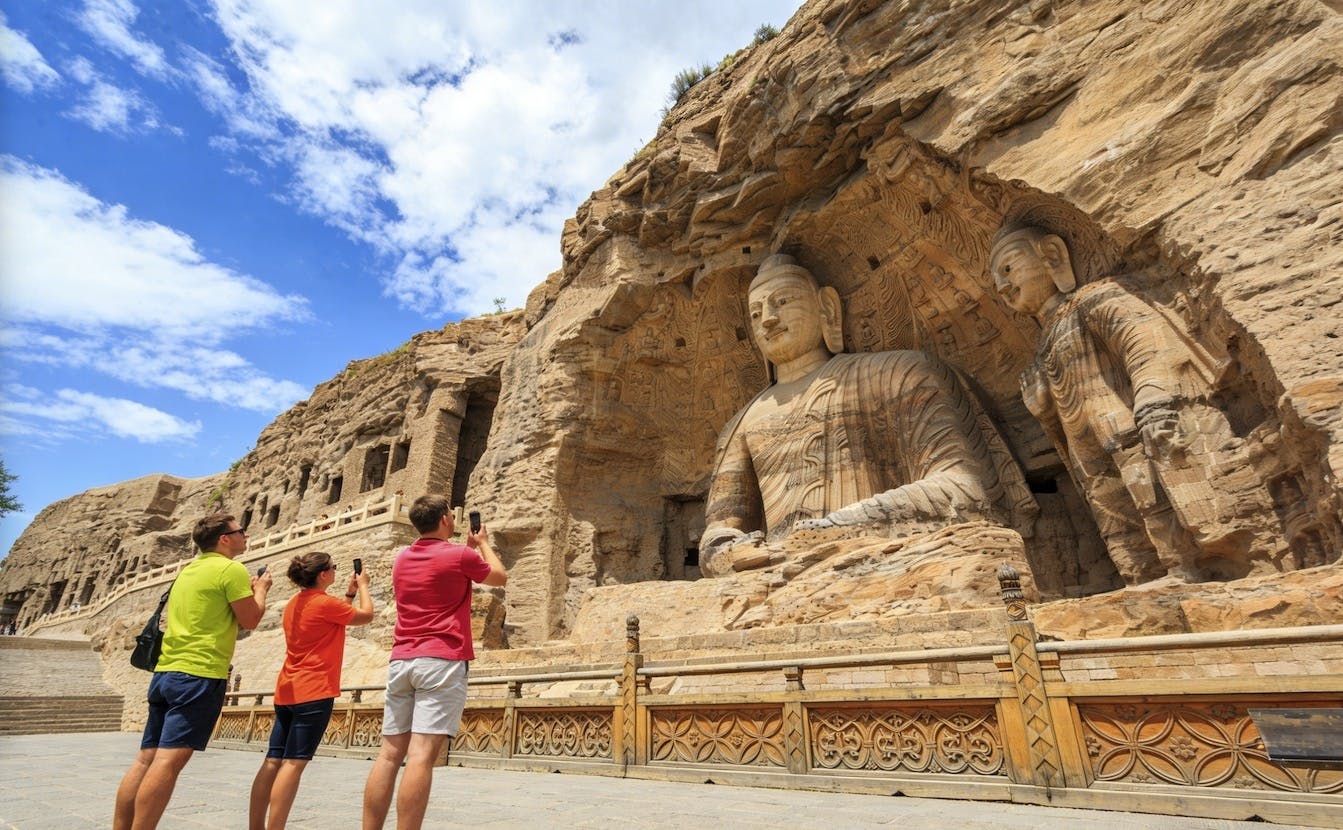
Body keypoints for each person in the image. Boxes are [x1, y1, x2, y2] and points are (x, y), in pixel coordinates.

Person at [699, 254, 1035, 576]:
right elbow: (720, 530)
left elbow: (967, 491)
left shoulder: (899, 373)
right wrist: (730, 553)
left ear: (826, 308)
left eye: (783, 301)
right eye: (756, 315)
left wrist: (834, 529)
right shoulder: (742, 424)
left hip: (887, 563)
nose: (769, 319)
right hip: (776, 575)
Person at [990, 221, 1276, 582]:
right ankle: (1145, 576)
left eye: (1008, 268)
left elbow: (1145, 345)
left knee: (1157, 500)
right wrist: (1044, 411)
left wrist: (1152, 397)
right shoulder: (1043, 345)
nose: (1002, 287)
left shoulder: (1095, 298)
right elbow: (1063, 410)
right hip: (1090, 450)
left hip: (1128, 425)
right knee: (1117, 516)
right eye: (996, 284)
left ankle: (1202, 569)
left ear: (1052, 255)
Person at [114, 513, 271, 830]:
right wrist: (262, 589)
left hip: (166, 671)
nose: (246, 535)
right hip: (198, 674)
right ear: (224, 539)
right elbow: (250, 620)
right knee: (168, 762)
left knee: (145, 758)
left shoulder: (189, 571)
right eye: (241, 531)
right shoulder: (230, 569)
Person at [362, 494, 506, 830]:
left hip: (401, 661)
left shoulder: (401, 558)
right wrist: (482, 544)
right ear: (444, 519)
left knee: (387, 756)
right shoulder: (459, 554)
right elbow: (499, 577)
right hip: (440, 660)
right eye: (451, 517)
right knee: (421, 756)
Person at [248, 551, 374, 829]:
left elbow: (332, 619)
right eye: (333, 567)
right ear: (324, 574)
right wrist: (363, 585)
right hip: (314, 691)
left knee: (273, 761)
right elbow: (366, 616)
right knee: (294, 763)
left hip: (287, 689)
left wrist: (348, 596)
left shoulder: (296, 603)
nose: (336, 570)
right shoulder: (324, 603)